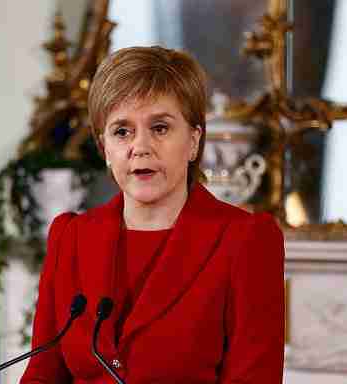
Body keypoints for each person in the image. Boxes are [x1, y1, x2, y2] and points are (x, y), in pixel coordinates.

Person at [20, 46, 284, 384]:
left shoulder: (245, 239)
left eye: (159, 128)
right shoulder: (71, 236)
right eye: (122, 131)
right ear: (105, 149)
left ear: (193, 141)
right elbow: (42, 375)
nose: (140, 146)